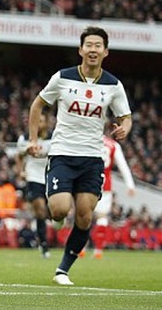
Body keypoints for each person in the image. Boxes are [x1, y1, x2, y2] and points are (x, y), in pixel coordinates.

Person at [27, 26, 132, 286]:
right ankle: (59, 218)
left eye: (98, 45)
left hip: (92, 158)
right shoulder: (62, 78)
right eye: (89, 45)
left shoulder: (113, 85)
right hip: (62, 153)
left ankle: (63, 269)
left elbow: (126, 117)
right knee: (59, 209)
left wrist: (124, 128)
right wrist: (33, 139)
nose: (93, 49)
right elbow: (38, 104)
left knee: (85, 216)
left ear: (105, 51)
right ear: (80, 49)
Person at [89, 135, 135, 259]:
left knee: (83, 215)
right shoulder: (113, 145)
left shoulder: (88, 139)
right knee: (102, 217)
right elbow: (123, 165)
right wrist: (130, 185)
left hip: (87, 181)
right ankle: (98, 250)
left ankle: (79, 248)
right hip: (105, 185)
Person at [16, 112, 52, 258]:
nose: (39, 124)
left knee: (54, 211)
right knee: (40, 210)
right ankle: (43, 243)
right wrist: (21, 172)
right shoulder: (25, 139)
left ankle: (54, 224)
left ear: (46, 123)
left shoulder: (54, 138)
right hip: (34, 176)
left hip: (50, 176)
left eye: (41, 121)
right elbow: (19, 156)